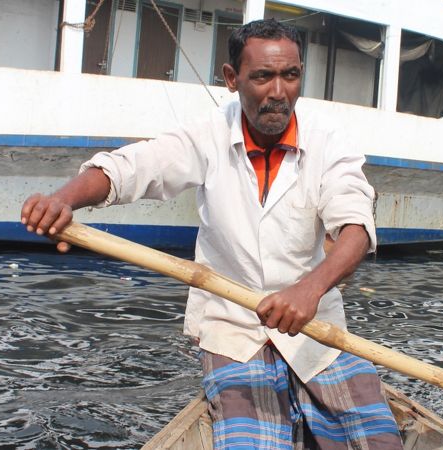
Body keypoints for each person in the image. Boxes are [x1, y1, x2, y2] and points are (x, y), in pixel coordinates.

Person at [21, 19, 403, 449]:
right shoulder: (208, 135)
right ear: (231, 78)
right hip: (234, 328)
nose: (279, 91)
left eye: (290, 75)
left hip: (316, 327)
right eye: (262, 76)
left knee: (380, 441)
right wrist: (64, 200)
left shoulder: (329, 142)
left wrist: (310, 290)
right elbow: (133, 168)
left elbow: (355, 226)